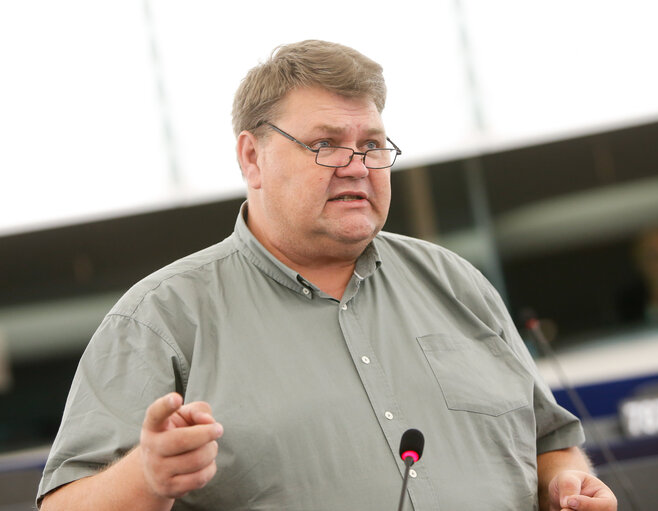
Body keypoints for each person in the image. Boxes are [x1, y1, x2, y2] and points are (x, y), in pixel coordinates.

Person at [38, 40, 616, 510]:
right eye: (325, 145)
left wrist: (566, 484)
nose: (358, 166)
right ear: (251, 157)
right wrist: (148, 474)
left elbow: (550, 444)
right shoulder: (162, 319)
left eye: (370, 145)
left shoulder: (455, 282)